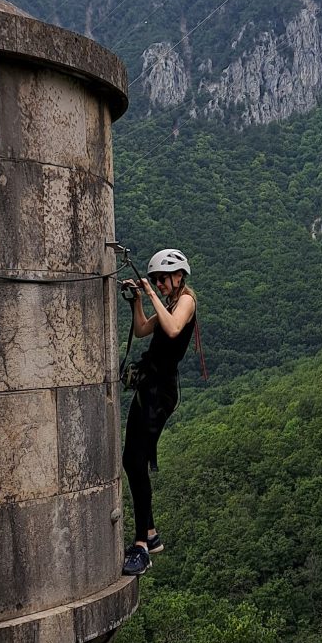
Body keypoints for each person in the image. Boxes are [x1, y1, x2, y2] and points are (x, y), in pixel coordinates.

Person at [120, 247, 196, 576]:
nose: (159, 283)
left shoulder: (186, 302)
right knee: (130, 460)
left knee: (135, 461)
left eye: (162, 279)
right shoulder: (168, 304)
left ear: (179, 276)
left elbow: (175, 329)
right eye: (155, 280)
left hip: (161, 392)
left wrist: (149, 293)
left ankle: (142, 545)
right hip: (149, 387)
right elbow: (141, 330)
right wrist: (137, 300)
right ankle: (149, 535)